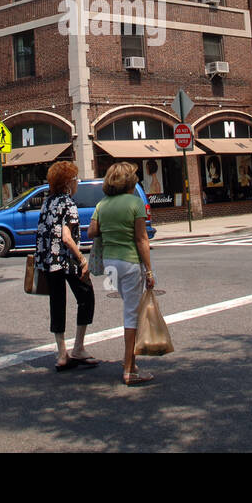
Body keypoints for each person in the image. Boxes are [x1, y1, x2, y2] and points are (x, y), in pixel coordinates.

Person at [89, 162, 155, 386]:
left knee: (129, 308)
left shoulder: (102, 204)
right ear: (129, 181)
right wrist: (149, 270)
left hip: (110, 263)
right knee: (132, 315)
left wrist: (109, 227)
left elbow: (91, 231)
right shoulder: (135, 203)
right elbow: (141, 239)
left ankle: (132, 363)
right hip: (129, 262)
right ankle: (129, 370)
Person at [34, 161, 97, 371]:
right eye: (75, 179)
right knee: (86, 296)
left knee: (57, 303)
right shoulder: (68, 203)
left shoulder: (47, 202)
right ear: (68, 183)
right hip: (66, 260)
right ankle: (78, 347)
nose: (77, 182)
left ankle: (62, 354)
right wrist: (82, 259)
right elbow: (67, 237)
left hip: (48, 262)